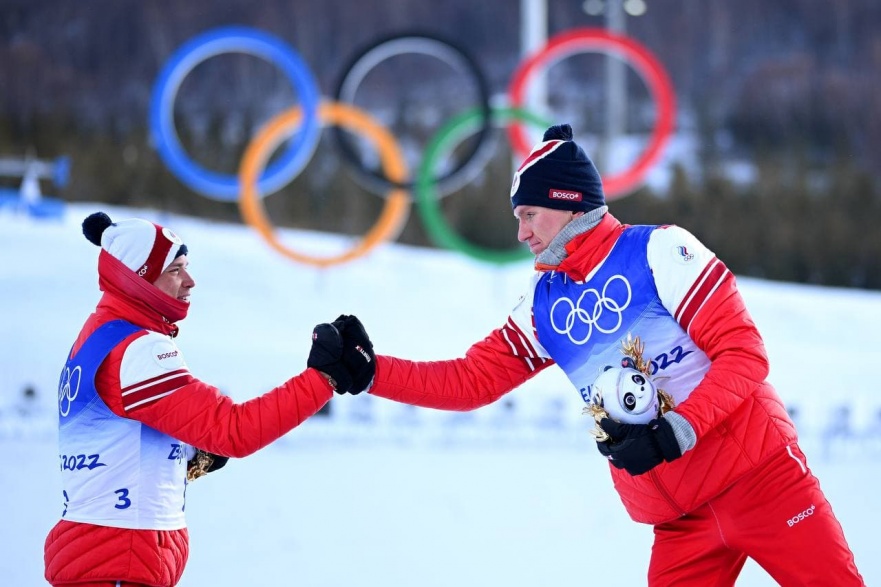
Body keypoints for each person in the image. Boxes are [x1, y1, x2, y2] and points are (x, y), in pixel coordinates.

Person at [320, 125, 865, 586]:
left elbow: (745, 355)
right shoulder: (542, 304)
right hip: (681, 523)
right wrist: (371, 372)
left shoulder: (659, 251)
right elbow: (471, 382)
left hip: (763, 482)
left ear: (566, 203)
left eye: (530, 214)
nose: (521, 232)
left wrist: (678, 429)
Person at [45, 211, 373, 587]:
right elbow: (233, 431)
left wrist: (191, 456)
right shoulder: (138, 348)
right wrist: (324, 376)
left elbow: (115, 451)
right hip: (120, 559)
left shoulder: (99, 336)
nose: (190, 281)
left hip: (108, 555)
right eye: (175, 270)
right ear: (138, 278)